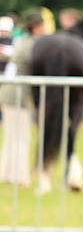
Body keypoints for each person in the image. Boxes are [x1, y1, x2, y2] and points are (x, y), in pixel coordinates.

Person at [0, 10, 43, 186]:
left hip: (11, 93)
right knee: (21, 137)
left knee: (11, 136)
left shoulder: (22, 41)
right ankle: (19, 176)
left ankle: (6, 173)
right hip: (20, 95)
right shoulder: (31, 44)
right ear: (36, 26)